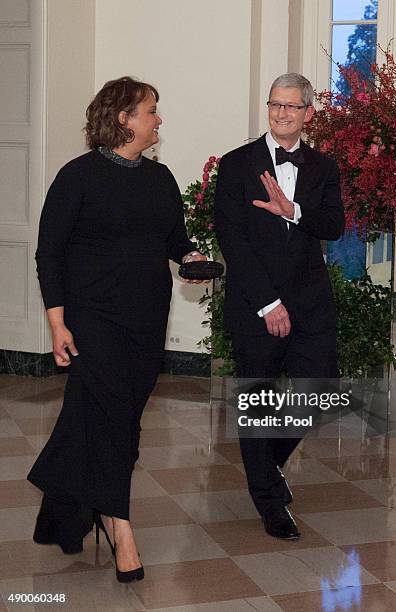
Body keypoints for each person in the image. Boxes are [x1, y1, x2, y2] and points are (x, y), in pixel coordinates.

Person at [27, 76, 206, 582]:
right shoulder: (77, 176)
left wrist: (192, 257)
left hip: (147, 319)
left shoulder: (160, 178)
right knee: (112, 418)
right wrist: (58, 325)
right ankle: (119, 524)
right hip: (92, 319)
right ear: (123, 117)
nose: (158, 118)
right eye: (151, 109)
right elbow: (50, 254)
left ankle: (66, 510)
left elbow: (175, 239)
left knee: (111, 415)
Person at [214, 73, 344, 539]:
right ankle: (270, 505)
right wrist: (268, 304)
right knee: (260, 401)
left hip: (311, 304)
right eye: (275, 104)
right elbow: (233, 240)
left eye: (292, 106)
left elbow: (333, 226)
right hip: (256, 302)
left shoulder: (324, 167)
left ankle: (265, 467)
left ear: (309, 113)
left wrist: (292, 211)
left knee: (319, 392)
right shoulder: (236, 165)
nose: (281, 113)